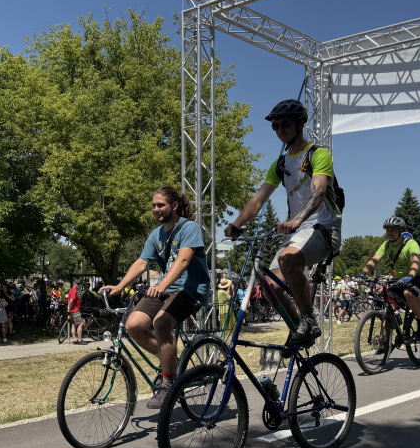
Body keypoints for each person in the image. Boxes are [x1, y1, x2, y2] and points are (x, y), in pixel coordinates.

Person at [224, 99, 342, 346]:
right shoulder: (279, 164)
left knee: (287, 259)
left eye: (284, 124)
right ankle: (299, 331)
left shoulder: (318, 155)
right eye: (275, 126)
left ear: (300, 124)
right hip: (299, 234)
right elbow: (258, 200)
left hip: (324, 228)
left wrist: (296, 219)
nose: (280, 130)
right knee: (269, 285)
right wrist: (235, 225)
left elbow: (318, 192)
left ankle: (308, 320)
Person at [100, 186, 211, 409]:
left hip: (190, 290)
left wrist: (160, 286)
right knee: (133, 326)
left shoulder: (189, 228)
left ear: (174, 206)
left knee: (161, 323)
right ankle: (172, 363)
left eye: (160, 205)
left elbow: (183, 261)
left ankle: (168, 382)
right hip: (165, 289)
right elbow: (142, 263)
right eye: (153, 206)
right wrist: (120, 286)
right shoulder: (156, 234)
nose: (156, 209)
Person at [359, 216, 420, 343]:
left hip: (419, 277)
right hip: (399, 279)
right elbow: (374, 260)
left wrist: (410, 275)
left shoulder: (411, 244)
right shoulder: (386, 246)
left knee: (409, 293)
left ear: (401, 231)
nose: (389, 233)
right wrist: (362, 274)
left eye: (393, 230)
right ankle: (386, 341)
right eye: (387, 230)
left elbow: (415, 261)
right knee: (389, 306)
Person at [67, 279, 85, 345]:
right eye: (77, 284)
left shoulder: (72, 290)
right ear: (74, 284)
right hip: (75, 310)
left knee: (74, 324)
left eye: (79, 284)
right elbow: (71, 300)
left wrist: (69, 309)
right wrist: (69, 309)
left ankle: (75, 339)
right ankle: (80, 340)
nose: (79, 285)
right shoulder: (74, 290)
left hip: (72, 310)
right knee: (80, 324)